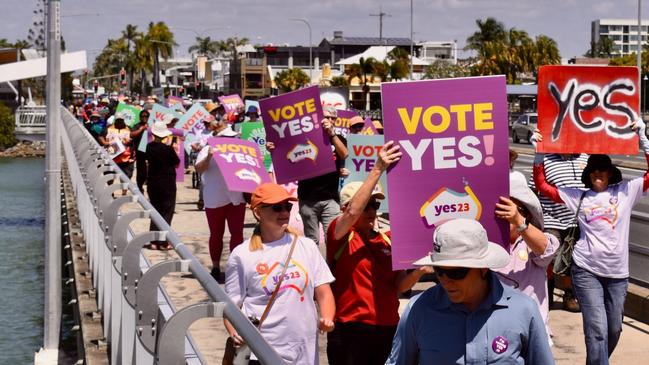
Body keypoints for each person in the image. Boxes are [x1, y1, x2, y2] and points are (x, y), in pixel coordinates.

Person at [532, 120, 649, 365]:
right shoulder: (579, 196)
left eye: (602, 169)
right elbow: (543, 187)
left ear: (610, 173)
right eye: (593, 170)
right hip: (586, 271)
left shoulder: (626, 192)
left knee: (613, 329)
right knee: (596, 330)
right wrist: (538, 154)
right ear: (589, 174)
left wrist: (643, 138)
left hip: (618, 275)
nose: (598, 173)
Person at [386, 218, 554, 365]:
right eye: (439, 271)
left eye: (456, 272)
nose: (445, 280)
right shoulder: (418, 310)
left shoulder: (523, 310)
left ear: (483, 269)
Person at [326, 141, 431, 365]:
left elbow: (398, 287)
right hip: (350, 328)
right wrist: (378, 169)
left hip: (387, 327)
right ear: (345, 207)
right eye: (368, 205)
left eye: (376, 205)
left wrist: (416, 273)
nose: (372, 210)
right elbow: (353, 212)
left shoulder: (387, 238)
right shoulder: (340, 233)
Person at [224, 183, 336, 364]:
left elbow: (323, 291)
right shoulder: (242, 255)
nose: (284, 212)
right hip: (261, 351)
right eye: (277, 207)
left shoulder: (306, 246)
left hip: (304, 351)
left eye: (288, 207)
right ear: (258, 212)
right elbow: (231, 307)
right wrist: (235, 333)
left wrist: (327, 317)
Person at [267, 105, 348, 246]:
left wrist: (331, 135)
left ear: (335, 121)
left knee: (333, 241)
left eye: (332, 118)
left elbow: (344, 154)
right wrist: (274, 150)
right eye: (325, 117)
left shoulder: (338, 138)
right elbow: (287, 156)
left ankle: (331, 269)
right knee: (312, 241)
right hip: (308, 199)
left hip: (331, 199)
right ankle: (314, 268)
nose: (328, 120)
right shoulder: (304, 138)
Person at [495, 175, 560, 346]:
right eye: (504, 207)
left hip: (531, 332)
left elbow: (546, 249)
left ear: (528, 216)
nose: (509, 214)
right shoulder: (484, 243)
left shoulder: (532, 241)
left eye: (518, 209)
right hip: (494, 332)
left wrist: (518, 221)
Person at [195, 119, 246, 281]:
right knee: (216, 234)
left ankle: (235, 266)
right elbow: (198, 169)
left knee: (237, 234)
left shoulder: (240, 148)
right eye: (228, 138)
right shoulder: (207, 149)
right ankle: (216, 266)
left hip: (236, 197)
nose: (231, 140)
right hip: (215, 198)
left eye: (232, 138)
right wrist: (209, 156)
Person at [145, 121, 180, 250]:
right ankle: (163, 242)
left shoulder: (148, 147)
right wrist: (174, 150)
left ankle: (153, 241)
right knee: (167, 212)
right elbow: (177, 164)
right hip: (167, 182)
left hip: (153, 182)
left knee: (155, 210)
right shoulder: (168, 149)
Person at [106, 112, 134, 195]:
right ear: (115, 120)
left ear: (123, 120)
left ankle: (124, 193)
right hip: (112, 157)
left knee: (126, 176)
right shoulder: (108, 128)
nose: (119, 122)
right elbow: (101, 136)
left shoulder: (129, 128)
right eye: (117, 120)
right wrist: (105, 143)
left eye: (121, 120)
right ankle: (111, 193)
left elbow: (133, 141)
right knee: (110, 176)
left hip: (125, 158)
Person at [130, 109, 150, 193]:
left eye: (146, 116)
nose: (144, 117)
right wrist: (141, 129)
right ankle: (140, 185)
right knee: (141, 170)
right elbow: (131, 135)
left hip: (150, 150)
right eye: (142, 116)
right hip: (140, 151)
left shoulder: (152, 125)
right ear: (140, 117)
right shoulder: (137, 126)